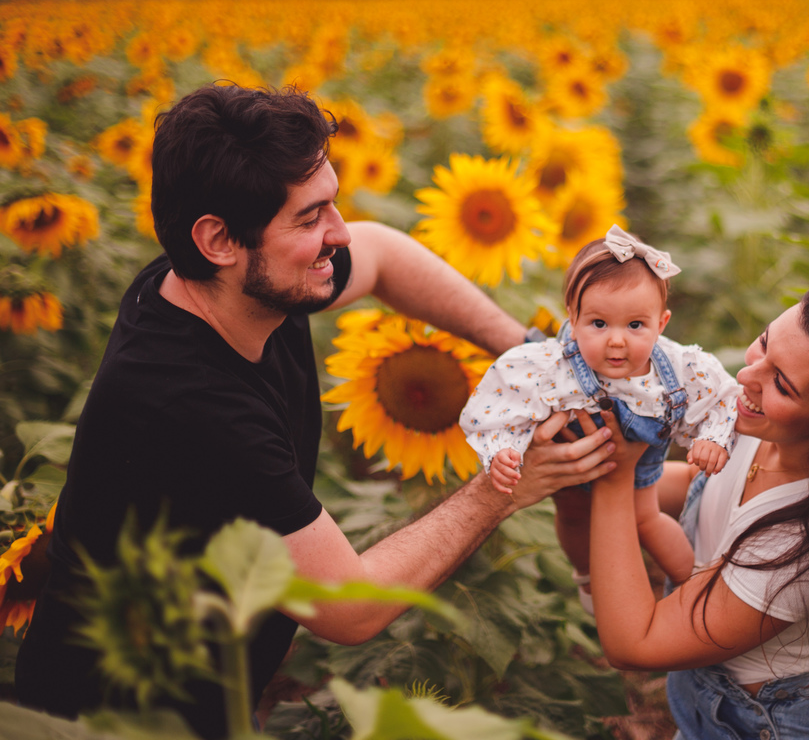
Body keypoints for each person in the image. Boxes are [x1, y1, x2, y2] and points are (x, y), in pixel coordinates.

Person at [14, 84, 617, 739]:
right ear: (217, 239)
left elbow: (384, 253)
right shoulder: (191, 407)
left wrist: (527, 350)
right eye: (309, 218)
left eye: (333, 204)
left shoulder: (222, 285)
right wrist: (507, 488)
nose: (337, 235)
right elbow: (344, 609)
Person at [585, 281, 809, 740]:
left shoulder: (800, 542)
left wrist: (614, 475)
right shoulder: (762, 426)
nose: (746, 376)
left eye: (780, 381)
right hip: (715, 719)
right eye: (763, 342)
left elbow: (633, 643)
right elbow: (707, 487)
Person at [461, 226, 740, 607]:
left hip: (637, 465)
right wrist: (502, 450)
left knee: (648, 520)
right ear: (572, 321)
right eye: (598, 324)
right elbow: (501, 401)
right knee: (574, 517)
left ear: (662, 323)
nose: (617, 340)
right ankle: (588, 578)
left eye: (635, 325)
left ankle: (691, 586)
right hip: (569, 466)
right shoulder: (549, 364)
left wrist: (712, 437)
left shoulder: (678, 365)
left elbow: (721, 396)